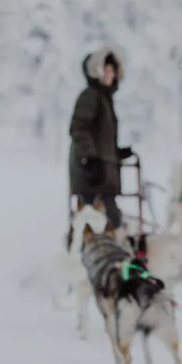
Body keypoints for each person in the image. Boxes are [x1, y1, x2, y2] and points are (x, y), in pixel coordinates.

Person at [66, 46, 133, 250]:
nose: (109, 75)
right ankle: (97, 256)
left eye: (112, 71)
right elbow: (79, 128)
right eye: (105, 70)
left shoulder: (103, 98)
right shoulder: (90, 96)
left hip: (102, 169)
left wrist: (116, 153)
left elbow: (100, 136)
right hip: (90, 173)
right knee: (97, 217)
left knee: (106, 215)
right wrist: (90, 159)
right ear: (96, 70)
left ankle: (108, 253)